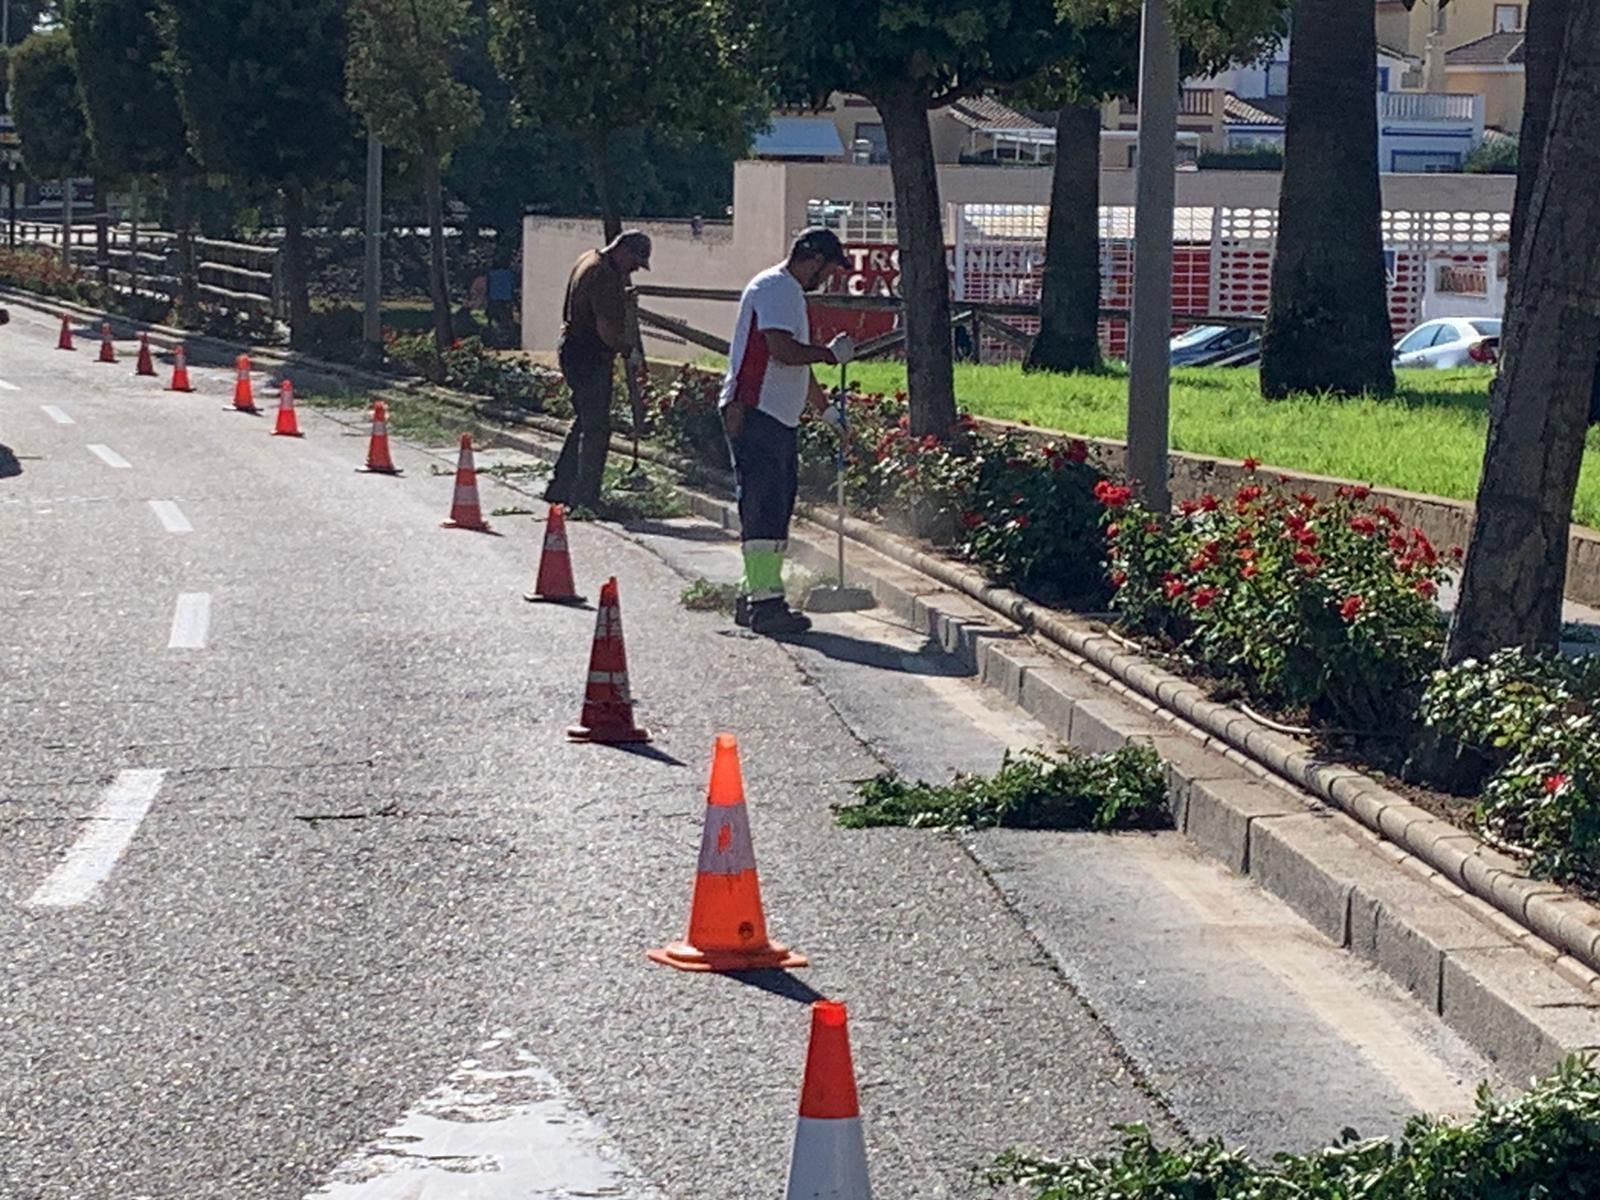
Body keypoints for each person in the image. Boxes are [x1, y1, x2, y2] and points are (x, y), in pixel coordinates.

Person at [720, 227, 855, 636]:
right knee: (763, 508)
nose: (828, 278)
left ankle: (755, 594)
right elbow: (781, 351)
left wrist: (826, 410)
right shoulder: (777, 288)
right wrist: (830, 353)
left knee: (775, 506)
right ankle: (765, 604)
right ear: (812, 259)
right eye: (829, 269)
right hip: (757, 410)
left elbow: (798, 365)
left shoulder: (787, 292)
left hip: (773, 415)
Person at [546, 230, 652, 510]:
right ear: (624, 251)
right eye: (635, 263)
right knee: (596, 428)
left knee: (584, 420)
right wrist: (626, 349)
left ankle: (560, 487)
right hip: (589, 353)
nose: (634, 270)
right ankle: (586, 498)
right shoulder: (603, 276)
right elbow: (605, 327)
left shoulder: (589, 259)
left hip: (573, 348)